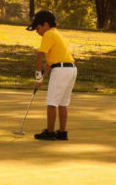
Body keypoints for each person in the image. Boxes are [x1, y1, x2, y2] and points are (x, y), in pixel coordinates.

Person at [26, 10, 77, 140]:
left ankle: (49, 132)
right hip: (70, 69)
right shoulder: (57, 34)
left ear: (46, 25)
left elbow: (39, 56)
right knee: (63, 103)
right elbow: (50, 62)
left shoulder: (48, 34)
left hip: (60, 70)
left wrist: (37, 75)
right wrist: (42, 77)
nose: (37, 32)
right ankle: (62, 132)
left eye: (38, 28)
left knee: (52, 102)